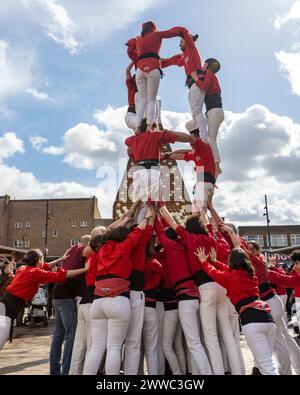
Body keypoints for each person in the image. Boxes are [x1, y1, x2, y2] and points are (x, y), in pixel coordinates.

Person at [160, 206, 242, 375]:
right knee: (228, 337)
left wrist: (161, 207)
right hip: (220, 286)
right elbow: (209, 226)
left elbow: (172, 223)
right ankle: (237, 372)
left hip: (205, 287)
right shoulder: (210, 238)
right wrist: (205, 208)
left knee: (210, 338)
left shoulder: (189, 237)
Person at [83, 207, 153, 375]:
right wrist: (148, 217)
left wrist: (124, 218)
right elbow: (139, 231)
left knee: (96, 347)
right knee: (114, 347)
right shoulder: (125, 246)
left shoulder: (101, 249)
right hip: (118, 300)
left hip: (98, 301)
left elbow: (106, 234)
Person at [195, 246, 278, 375]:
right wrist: (215, 261)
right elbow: (228, 271)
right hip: (268, 319)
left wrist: (204, 261)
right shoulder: (252, 276)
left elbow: (213, 273)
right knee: (265, 363)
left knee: (267, 366)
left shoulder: (230, 277)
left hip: (252, 321)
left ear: (231, 261)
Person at [155, 211, 212, 375]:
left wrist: (156, 214)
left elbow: (160, 232)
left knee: (192, 343)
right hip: (195, 296)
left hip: (185, 299)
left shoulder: (171, 247)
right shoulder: (184, 246)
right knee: (193, 342)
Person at [0, 249, 89, 351]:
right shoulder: (35, 272)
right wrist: (85, 269)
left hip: (4, 305)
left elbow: (45, 266)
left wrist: (60, 259)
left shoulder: (23, 268)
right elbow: (62, 275)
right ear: (39, 260)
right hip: (7, 311)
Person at [247, 241, 300, 375]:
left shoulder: (258, 261)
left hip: (272, 301)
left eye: (297, 263)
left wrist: (268, 272)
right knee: (283, 338)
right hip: (275, 301)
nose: (294, 267)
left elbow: (288, 281)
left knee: (279, 340)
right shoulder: (260, 262)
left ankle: (286, 371)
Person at [125, 128, 194, 222]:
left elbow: (129, 151)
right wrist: (167, 132)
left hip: (138, 172)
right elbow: (187, 138)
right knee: (154, 204)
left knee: (140, 205)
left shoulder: (132, 139)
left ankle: (139, 229)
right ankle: (151, 232)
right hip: (152, 171)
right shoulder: (156, 135)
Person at [127, 22, 184, 132]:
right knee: (152, 100)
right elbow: (170, 32)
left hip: (140, 70)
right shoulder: (157, 34)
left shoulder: (138, 38)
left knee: (143, 100)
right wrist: (183, 31)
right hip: (153, 67)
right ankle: (149, 126)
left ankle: (138, 127)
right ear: (153, 28)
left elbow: (130, 49)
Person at [50, 235, 91, 375]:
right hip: (66, 297)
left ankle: (54, 371)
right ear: (87, 243)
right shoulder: (81, 249)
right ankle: (66, 371)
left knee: (58, 335)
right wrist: (86, 269)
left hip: (57, 295)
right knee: (71, 335)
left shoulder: (70, 249)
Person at [69, 227, 107, 375]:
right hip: (94, 301)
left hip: (84, 301)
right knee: (93, 345)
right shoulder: (100, 253)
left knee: (79, 345)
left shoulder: (88, 254)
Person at [161, 29, 207, 140]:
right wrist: (162, 62)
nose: (179, 44)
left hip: (196, 83)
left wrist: (181, 33)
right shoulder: (185, 55)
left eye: (181, 41)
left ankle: (205, 138)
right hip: (191, 86)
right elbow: (176, 61)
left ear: (188, 41)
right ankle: (200, 136)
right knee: (194, 113)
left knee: (196, 110)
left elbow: (186, 36)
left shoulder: (191, 48)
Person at [165, 124, 215, 213]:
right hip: (204, 181)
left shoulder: (202, 145)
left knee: (198, 211)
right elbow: (181, 155)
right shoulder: (197, 153)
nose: (190, 144)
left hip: (204, 181)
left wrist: (168, 132)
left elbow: (190, 140)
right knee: (201, 209)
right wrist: (167, 155)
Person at [189, 58, 224, 178]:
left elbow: (204, 86)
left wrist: (196, 78)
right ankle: (216, 166)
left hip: (214, 111)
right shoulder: (213, 75)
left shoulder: (209, 74)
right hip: (214, 112)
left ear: (206, 65)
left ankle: (217, 168)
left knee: (211, 139)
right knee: (210, 139)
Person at [125, 61, 139, 131]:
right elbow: (127, 71)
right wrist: (134, 60)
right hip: (132, 113)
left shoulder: (146, 88)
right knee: (139, 126)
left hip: (144, 113)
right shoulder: (131, 85)